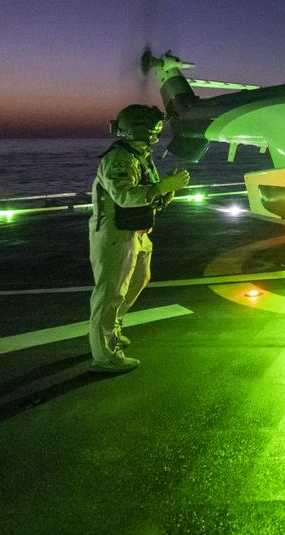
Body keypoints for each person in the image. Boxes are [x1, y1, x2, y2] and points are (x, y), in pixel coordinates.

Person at [87, 104, 190, 373]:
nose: (158, 134)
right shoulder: (120, 158)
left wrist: (166, 190)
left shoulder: (139, 155)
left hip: (136, 232)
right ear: (141, 130)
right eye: (154, 129)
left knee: (139, 279)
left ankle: (114, 327)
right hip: (114, 234)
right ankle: (105, 355)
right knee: (110, 292)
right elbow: (124, 196)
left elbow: (147, 192)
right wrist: (163, 186)